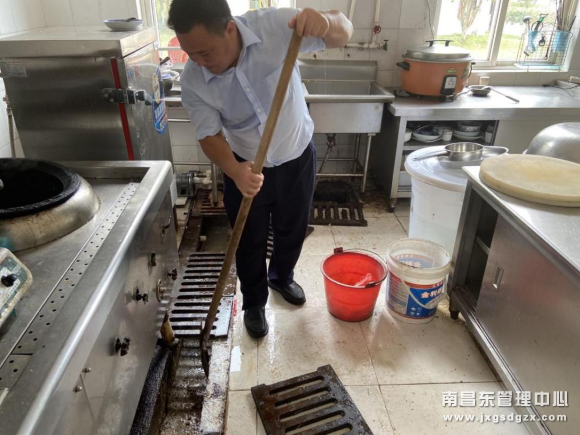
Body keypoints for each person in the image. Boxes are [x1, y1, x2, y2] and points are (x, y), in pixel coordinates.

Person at [168, 0, 353, 338]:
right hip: (245, 167)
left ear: (229, 28)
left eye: (205, 52)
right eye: (190, 54)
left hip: (297, 155)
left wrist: (326, 22)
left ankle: (281, 276)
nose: (199, 62)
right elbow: (209, 136)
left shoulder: (276, 27)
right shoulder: (194, 81)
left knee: (292, 228)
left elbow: (344, 31)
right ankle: (254, 302)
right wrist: (236, 171)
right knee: (248, 239)